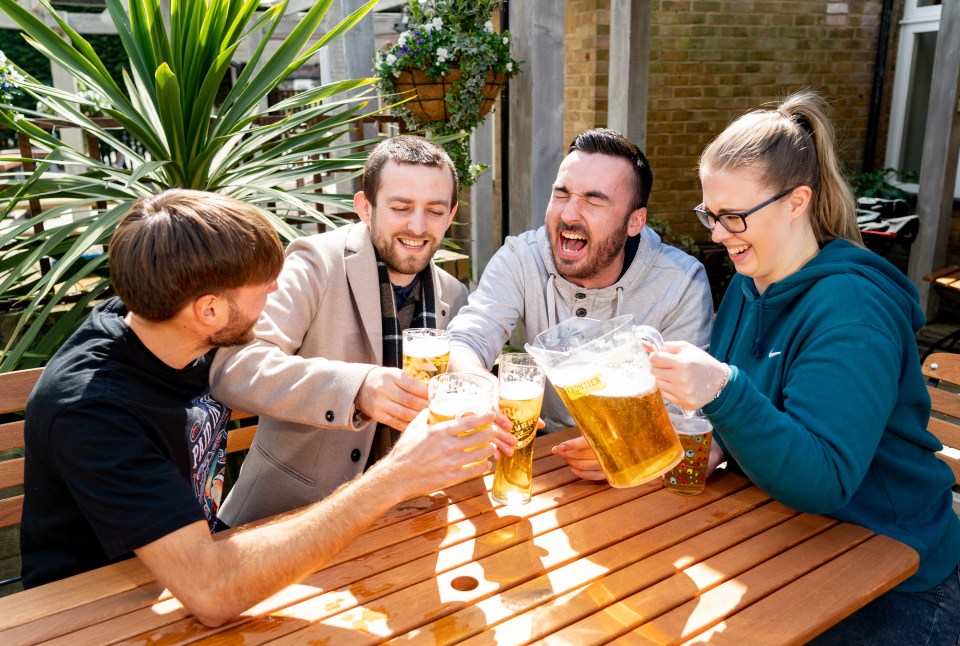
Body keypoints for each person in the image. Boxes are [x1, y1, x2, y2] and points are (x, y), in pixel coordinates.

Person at [19, 189, 507, 627]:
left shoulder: (162, 320)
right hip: (90, 614)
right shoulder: (93, 412)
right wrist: (397, 474)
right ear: (209, 311)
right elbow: (211, 593)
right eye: (264, 285)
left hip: (183, 574)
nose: (276, 291)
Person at [647, 91, 960, 643]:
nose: (717, 235)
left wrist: (722, 391)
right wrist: (716, 442)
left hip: (898, 571)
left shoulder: (853, 315)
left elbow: (824, 480)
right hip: (789, 536)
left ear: (797, 201)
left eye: (734, 216)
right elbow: (759, 421)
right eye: (710, 214)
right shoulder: (750, 284)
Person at [209, 135, 490, 527]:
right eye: (401, 207)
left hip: (407, 522)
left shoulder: (454, 293)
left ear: (451, 214)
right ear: (365, 207)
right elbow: (234, 367)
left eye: (435, 210)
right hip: (286, 521)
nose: (418, 225)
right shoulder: (315, 261)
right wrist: (357, 389)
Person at [446, 128, 713, 470]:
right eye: (562, 194)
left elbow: (686, 410)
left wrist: (624, 445)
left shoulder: (681, 282)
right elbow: (467, 337)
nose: (569, 214)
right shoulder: (522, 257)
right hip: (544, 457)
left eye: (593, 199)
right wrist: (479, 383)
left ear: (635, 221)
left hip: (643, 466)